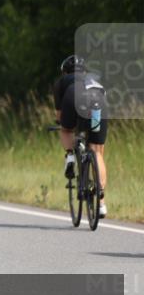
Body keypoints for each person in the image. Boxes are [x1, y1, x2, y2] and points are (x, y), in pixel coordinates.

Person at [53, 54, 109, 218]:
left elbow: (59, 116)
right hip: (97, 101)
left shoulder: (62, 82)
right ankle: (101, 203)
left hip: (73, 97)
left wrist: (65, 123)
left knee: (66, 130)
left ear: (65, 72)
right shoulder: (95, 81)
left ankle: (70, 156)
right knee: (97, 152)